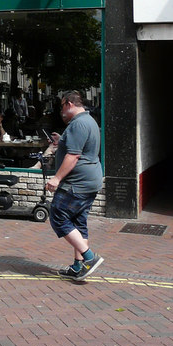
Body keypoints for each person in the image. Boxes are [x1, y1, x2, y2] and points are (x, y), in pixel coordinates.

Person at [44, 90, 104, 281]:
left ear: (69, 104)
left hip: (77, 183)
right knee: (78, 221)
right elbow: (79, 148)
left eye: (62, 106)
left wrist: (56, 179)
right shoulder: (89, 121)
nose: (61, 111)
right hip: (90, 180)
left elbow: (74, 156)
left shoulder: (78, 124)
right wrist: (60, 142)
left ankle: (89, 257)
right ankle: (78, 267)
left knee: (58, 215)